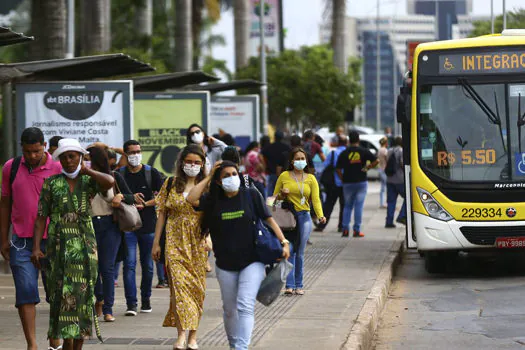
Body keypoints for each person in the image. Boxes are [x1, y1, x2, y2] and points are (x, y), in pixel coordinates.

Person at [187, 161, 290, 350]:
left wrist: (284, 241)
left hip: (252, 260)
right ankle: (234, 345)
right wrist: (209, 176)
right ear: (218, 182)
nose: (231, 178)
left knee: (245, 305)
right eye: (226, 176)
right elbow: (191, 199)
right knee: (229, 310)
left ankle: (241, 347)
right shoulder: (212, 200)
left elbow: (268, 218)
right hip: (225, 264)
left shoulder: (250, 195)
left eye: (234, 173)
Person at [31, 138, 115, 349]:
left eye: (73, 156)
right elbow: (41, 217)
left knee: (83, 295)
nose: (68, 161)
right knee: (60, 296)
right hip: (58, 247)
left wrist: (88, 171)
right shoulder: (51, 183)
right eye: (64, 157)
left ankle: (77, 344)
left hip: (85, 246)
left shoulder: (89, 181)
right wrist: (35, 248)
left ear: (80, 157)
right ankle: (63, 342)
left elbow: (109, 182)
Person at [0, 127, 62, 350]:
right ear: (22, 149)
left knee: (56, 292)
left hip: (53, 240)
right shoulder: (12, 167)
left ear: (44, 146)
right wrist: (3, 239)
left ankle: (54, 333)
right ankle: (32, 344)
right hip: (21, 241)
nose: (32, 156)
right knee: (25, 292)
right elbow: (5, 203)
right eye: (28, 152)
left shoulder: (58, 167)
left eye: (36, 151)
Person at [151, 145, 208, 350]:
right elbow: (162, 214)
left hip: (197, 243)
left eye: (196, 163)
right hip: (174, 241)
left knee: (196, 290)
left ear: (202, 165)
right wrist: (156, 242)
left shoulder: (207, 187)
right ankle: (181, 335)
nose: (192, 166)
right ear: (181, 163)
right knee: (179, 289)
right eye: (189, 162)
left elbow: (212, 215)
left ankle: (193, 337)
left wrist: (210, 238)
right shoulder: (170, 184)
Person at [88, 146, 134, 323]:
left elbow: (130, 197)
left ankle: (108, 308)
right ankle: (98, 299)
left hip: (109, 225)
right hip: (89, 225)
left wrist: (120, 197)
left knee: (106, 268)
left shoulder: (114, 177)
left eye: (89, 159)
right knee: (92, 268)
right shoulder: (83, 178)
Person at [119, 140, 164, 316]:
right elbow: (114, 196)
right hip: (128, 225)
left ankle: (146, 300)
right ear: (125, 155)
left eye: (138, 151)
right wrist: (130, 198)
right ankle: (131, 304)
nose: (135, 155)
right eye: (131, 152)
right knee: (129, 264)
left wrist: (146, 204)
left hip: (148, 225)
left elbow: (162, 197)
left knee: (148, 265)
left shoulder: (151, 172)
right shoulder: (119, 174)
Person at [274, 148, 325, 295]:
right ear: (291, 161)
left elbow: (315, 199)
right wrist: (281, 196)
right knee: (290, 250)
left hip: (304, 217)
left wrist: (321, 215)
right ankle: (289, 286)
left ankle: (299, 285)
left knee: (300, 252)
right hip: (289, 218)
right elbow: (272, 200)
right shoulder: (284, 176)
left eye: (303, 159)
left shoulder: (311, 178)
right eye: (297, 158)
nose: (300, 161)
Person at [336, 131, 379, 238]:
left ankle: (345, 229)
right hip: (361, 182)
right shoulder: (364, 151)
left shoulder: (344, 153)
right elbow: (376, 160)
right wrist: (367, 168)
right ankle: (356, 230)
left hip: (347, 183)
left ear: (349, 140)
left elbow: (338, 168)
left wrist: (342, 178)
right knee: (358, 206)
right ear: (358, 140)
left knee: (347, 206)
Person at [315, 136, 348, 233]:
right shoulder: (348, 153)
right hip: (345, 184)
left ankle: (321, 225)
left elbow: (325, 165)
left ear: (338, 143)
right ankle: (341, 226)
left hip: (333, 184)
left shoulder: (333, 153)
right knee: (344, 206)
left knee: (328, 205)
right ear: (346, 143)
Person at [385, 136, 407, 228]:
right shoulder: (401, 151)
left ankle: (389, 222)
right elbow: (402, 163)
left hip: (390, 179)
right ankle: (402, 216)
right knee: (409, 197)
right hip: (400, 180)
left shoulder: (389, 150)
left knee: (391, 201)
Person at [262, 130, 290, 196]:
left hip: (271, 173)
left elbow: (261, 156)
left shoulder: (269, 147)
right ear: (283, 137)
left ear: (274, 137)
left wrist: (265, 166)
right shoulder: (287, 147)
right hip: (283, 174)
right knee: (281, 194)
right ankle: (278, 206)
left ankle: (270, 206)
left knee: (271, 193)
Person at [378, 137, 388, 209]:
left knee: (382, 187)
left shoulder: (379, 150)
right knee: (385, 187)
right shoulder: (384, 150)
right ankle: (384, 203)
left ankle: (382, 202)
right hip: (385, 169)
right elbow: (387, 159)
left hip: (380, 169)